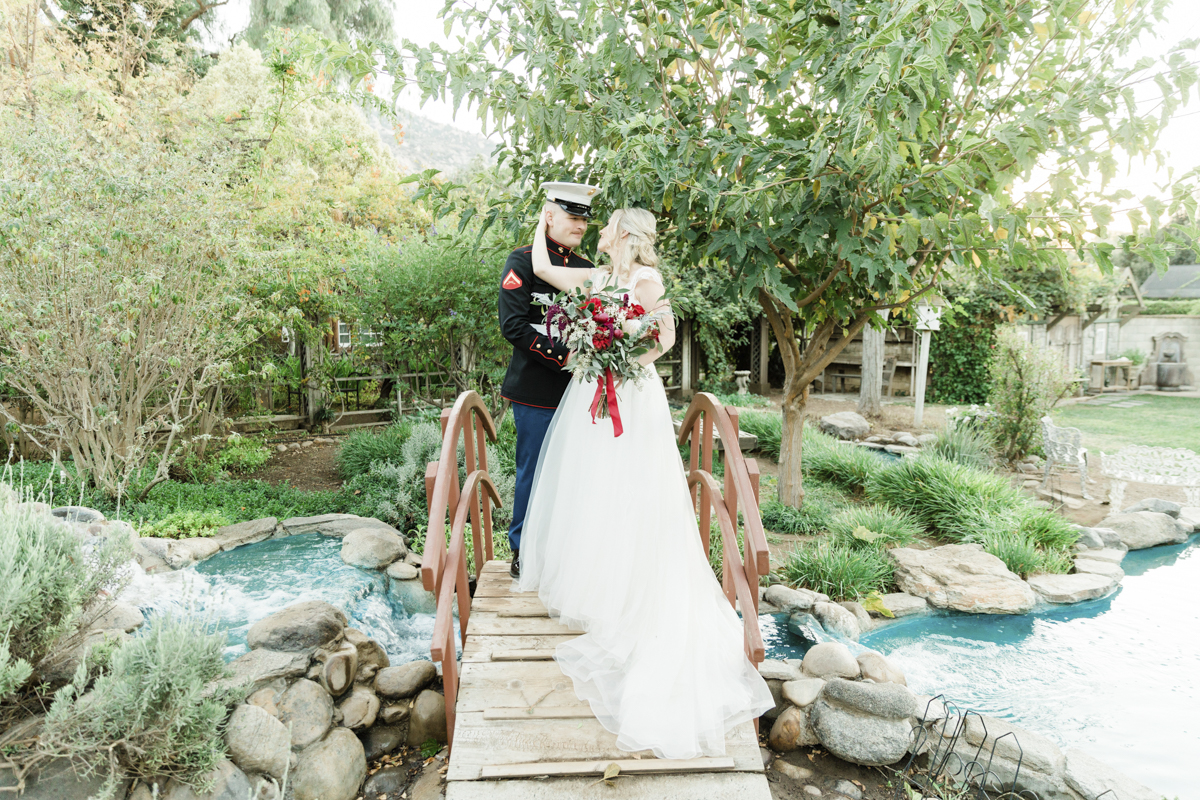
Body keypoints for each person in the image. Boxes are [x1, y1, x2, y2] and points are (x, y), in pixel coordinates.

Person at [515, 206, 774, 759]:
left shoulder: (644, 280)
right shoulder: (595, 277)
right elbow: (540, 262)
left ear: (626, 236)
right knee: (592, 490)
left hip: (630, 395)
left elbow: (666, 337)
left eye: (607, 225)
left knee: (633, 492)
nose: (601, 231)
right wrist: (543, 219)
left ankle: (633, 588)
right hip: (592, 392)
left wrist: (623, 359)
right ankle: (598, 583)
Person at [497, 182, 599, 580]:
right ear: (549, 216)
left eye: (584, 219)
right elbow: (514, 327)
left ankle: (566, 552)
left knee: (577, 474)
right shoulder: (521, 262)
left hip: (581, 391)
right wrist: (565, 357)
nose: (580, 226)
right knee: (534, 473)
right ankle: (524, 550)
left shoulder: (586, 267)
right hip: (537, 390)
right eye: (573, 217)